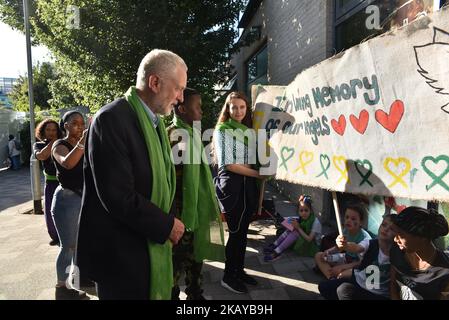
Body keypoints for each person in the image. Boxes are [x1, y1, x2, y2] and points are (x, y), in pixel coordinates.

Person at [76, 49, 186, 300]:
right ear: (154, 82)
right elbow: (117, 196)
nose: (180, 98)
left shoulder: (155, 122)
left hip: (145, 248)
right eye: (178, 88)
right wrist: (166, 225)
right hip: (122, 258)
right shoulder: (111, 119)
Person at [167, 88, 225, 300]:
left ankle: (195, 293)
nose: (201, 111)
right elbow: (166, 182)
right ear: (182, 109)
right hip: (179, 217)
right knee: (174, 265)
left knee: (196, 257)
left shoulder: (192, 133)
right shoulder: (172, 137)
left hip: (196, 213)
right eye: (197, 107)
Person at [213, 91, 266, 294]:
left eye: (242, 107)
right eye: (234, 107)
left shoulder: (248, 130)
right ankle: (228, 276)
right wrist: (256, 173)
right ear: (228, 109)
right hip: (232, 187)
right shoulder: (222, 130)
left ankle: (239, 271)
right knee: (235, 233)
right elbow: (230, 165)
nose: (238, 111)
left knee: (243, 233)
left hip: (248, 187)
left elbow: (250, 160)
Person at [51, 111, 87, 300]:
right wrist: (82, 143)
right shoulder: (59, 145)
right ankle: (62, 288)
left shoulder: (84, 144)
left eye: (82, 123)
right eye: (75, 123)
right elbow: (68, 163)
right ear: (65, 125)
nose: (79, 127)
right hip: (67, 200)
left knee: (80, 245)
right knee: (68, 246)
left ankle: (77, 281)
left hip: (82, 198)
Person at [318, 214, 396, 300]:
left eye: (391, 229)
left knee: (344, 290)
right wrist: (345, 245)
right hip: (359, 283)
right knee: (324, 287)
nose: (386, 229)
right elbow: (357, 247)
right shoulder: (370, 243)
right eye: (384, 225)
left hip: (378, 294)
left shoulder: (397, 253)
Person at [389, 206, 449, 300]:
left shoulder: (445, 272)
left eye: (401, 235)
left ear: (423, 237)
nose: (395, 239)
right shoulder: (398, 251)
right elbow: (393, 284)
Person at [314, 203, 372, 279]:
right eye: (347, 217)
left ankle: (333, 276)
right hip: (345, 258)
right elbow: (339, 248)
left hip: (357, 265)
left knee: (342, 274)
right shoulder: (345, 231)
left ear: (361, 222)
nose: (348, 220)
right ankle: (331, 278)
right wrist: (328, 251)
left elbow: (359, 256)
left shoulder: (366, 238)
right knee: (319, 256)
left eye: (353, 219)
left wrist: (343, 267)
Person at [264, 195, 322, 261]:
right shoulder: (303, 218)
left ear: (311, 211)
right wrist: (289, 223)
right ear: (298, 211)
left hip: (312, 246)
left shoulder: (315, 222)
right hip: (304, 240)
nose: (304, 213)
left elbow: (309, 239)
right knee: (291, 228)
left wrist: (298, 228)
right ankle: (275, 245)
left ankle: (277, 252)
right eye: (301, 211)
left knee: (296, 231)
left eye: (306, 210)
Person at [33, 119, 63, 246]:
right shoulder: (38, 145)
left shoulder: (64, 144)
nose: (51, 132)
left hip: (65, 183)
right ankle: (55, 236)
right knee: (51, 212)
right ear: (43, 131)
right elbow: (41, 156)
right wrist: (53, 143)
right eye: (48, 130)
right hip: (50, 184)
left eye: (54, 130)